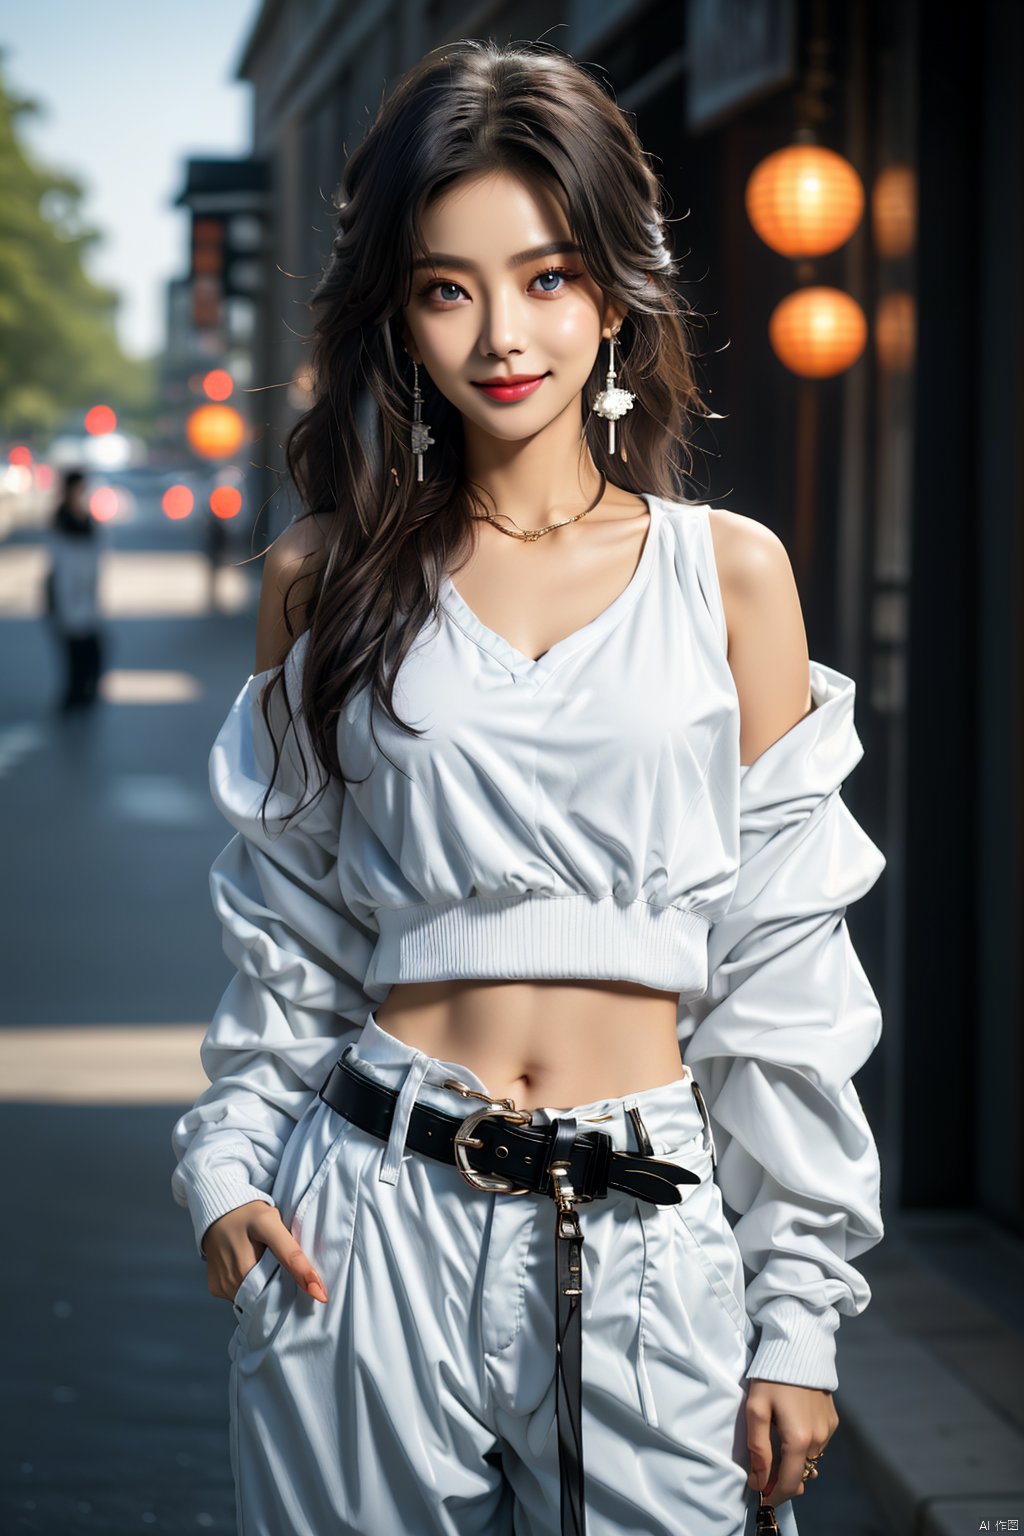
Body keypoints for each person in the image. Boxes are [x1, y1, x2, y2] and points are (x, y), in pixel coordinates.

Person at [170, 37, 886, 1536]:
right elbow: (285, 928)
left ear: (617, 291)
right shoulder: (329, 583)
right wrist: (231, 1168)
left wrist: (800, 1313)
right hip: (363, 1218)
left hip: (650, 1230)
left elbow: (783, 968)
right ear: (401, 317)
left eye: (548, 275)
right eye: (448, 286)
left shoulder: (728, 576)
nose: (504, 331)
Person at [46, 467, 105, 711]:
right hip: (67, 595)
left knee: (92, 651)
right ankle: (73, 698)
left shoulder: (88, 519)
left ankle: (84, 695)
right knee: (73, 653)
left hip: (87, 595)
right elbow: (61, 565)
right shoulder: (62, 520)